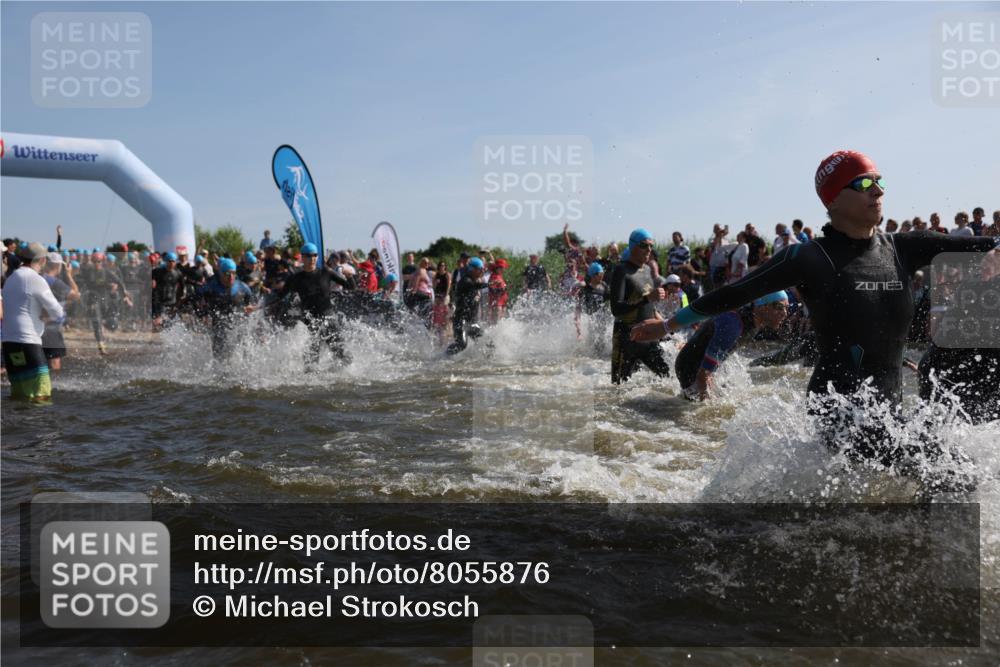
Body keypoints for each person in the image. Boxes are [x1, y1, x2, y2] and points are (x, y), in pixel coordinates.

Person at [631, 150, 1000, 490]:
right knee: (954, 474)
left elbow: (988, 244)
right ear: (833, 199)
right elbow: (734, 292)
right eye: (864, 184)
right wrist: (667, 326)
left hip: (886, 412)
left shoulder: (904, 248)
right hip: (837, 409)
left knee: (948, 473)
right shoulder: (809, 257)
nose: (878, 191)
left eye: (880, 182)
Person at [674, 291, 789, 400]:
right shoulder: (733, 324)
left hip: (701, 366)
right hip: (689, 368)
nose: (785, 313)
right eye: (779, 307)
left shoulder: (754, 321)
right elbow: (702, 374)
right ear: (762, 306)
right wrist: (707, 402)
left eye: (786, 308)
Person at [1, 243, 65, 403]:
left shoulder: (11, 278)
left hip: (9, 345)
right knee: (42, 395)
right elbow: (57, 311)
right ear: (42, 260)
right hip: (28, 343)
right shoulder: (35, 278)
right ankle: (39, 421)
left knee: (19, 396)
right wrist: (48, 316)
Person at [276, 242, 354, 366]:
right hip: (311, 322)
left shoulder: (326, 272)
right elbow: (279, 297)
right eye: (308, 255)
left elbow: (350, 287)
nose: (312, 258)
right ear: (302, 257)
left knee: (342, 356)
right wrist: (256, 307)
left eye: (315, 255)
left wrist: (349, 276)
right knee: (311, 364)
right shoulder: (295, 278)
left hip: (329, 319)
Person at [609, 228, 670, 384]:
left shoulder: (647, 269)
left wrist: (667, 327)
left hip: (648, 337)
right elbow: (616, 309)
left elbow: (649, 306)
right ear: (632, 246)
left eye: (651, 245)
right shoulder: (621, 270)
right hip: (626, 339)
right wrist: (646, 298)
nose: (649, 249)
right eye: (644, 245)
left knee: (669, 378)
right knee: (617, 388)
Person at [194, 257, 256, 359]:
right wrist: (203, 313)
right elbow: (196, 296)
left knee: (240, 353)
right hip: (219, 325)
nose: (231, 277)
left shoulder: (242, 287)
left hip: (237, 324)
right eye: (227, 274)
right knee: (219, 357)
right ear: (221, 273)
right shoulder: (211, 286)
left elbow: (252, 302)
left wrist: (250, 307)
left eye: (233, 273)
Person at [40, 252, 80, 371]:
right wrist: (69, 275)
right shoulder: (54, 282)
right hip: (51, 328)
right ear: (58, 265)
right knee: (54, 363)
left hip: (38, 326)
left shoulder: (39, 278)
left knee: (42, 362)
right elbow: (76, 295)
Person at [446, 257, 488, 355]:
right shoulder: (465, 280)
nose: (483, 271)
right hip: (461, 321)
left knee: (487, 343)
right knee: (462, 344)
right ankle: (442, 357)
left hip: (472, 322)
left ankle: (490, 361)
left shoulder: (475, 280)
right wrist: (489, 284)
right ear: (472, 269)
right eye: (480, 269)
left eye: (483, 269)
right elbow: (473, 286)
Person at [151, 251, 184, 329]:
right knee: (159, 320)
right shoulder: (158, 271)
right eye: (169, 261)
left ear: (175, 262)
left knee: (169, 323)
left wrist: (180, 299)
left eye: (173, 261)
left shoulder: (178, 273)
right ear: (166, 261)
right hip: (160, 300)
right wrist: (152, 280)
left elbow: (182, 287)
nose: (171, 263)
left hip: (172, 300)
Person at [432, 261, 451, 345]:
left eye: (443, 265)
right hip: (437, 295)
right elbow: (433, 286)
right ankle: (439, 328)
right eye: (440, 265)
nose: (442, 267)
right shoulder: (436, 275)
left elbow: (449, 285)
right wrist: (435, 283)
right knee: (437, 311)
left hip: (444, 295)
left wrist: (446, 294)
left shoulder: (447, 274)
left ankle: (446, 327)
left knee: (445, 311)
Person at [487, 259, 509, 324]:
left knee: (501, 322)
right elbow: (491, 290)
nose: (504, 269)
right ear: (498, 268)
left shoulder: (499, 276)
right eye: (503, 268)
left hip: (502, 302)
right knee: (496, 323)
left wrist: (505, 288)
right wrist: (503, 289)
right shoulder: (494, 276)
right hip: (497, 303)